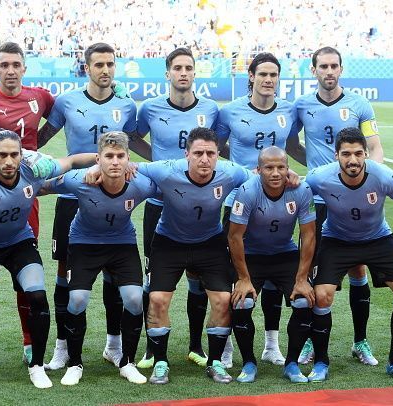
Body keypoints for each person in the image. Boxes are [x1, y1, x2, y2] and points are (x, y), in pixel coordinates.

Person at [0, 130, 96, 390]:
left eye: (14, 154)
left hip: (19, 242)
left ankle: (36, 367)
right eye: (2, 155)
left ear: (22, 155)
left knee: (37, 297)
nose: (8, 161)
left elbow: (73, 161)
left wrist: (101, 159)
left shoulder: (33, 170)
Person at [38, 42, 139, 371]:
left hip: (111, 200)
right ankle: (62, 347)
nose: (105, 70)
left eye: (110, 64)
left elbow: (131, 147)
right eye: (99, 65)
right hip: (71, 200)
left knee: (114, 274)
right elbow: (42, 138)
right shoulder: (67, 102)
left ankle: (114, 344)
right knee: (65, 277)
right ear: (87, 68)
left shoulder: (126, 106)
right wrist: (10, 156)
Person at [304, 127, 393, 382]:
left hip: (378, 238)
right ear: (336, 155)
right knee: (322, 295)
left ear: (366, 154)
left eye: (358, 154)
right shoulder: (320, 177)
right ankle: (321, 362)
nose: (353, 160)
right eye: (346, 154)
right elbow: (297, 195)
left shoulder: (383, 175)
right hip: (336, 240)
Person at [137, 127, 252, 385]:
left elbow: (256, 178)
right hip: (169, 243)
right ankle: (161, 362)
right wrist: (94, 169)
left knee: (223, 300)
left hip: (209, 243)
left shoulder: (229, 172)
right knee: (157, 299)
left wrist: (288, 174)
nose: (204, 159)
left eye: (210, 153)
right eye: (198, 153)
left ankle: (215, 362)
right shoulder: (166, 169)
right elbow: (129, 166)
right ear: (186, 154)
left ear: (218, 154)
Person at [43, 131, 157, 386]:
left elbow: (173, 185)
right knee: (78, 299)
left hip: (122, 244)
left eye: (120, 156)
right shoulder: (79, 180)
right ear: (98, 159)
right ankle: (74, 363)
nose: (115, 162)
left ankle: (126, 362)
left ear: (129, 159)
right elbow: (43, 186)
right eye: (109, 156)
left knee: (135, 299)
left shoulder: (142, 184)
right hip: (84, 243)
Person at [133, 47, 223, 370]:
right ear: (167, 73)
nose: (183, 73)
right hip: (159, 204)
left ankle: (196, 344)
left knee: (198, 278)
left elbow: (217, 146)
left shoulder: (211, 109)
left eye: (188, 68)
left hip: (200, 205)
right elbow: (133, 137)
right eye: (177, 68)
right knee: (152, 278)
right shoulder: (151, 108)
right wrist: (159, 160)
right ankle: (150, 348)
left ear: (195, 73)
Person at [294, 46, 385, 365]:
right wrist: (315, 172)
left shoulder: (360, 104)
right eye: (323, 66)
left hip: (353, 200)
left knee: (358, 266)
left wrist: (364, 179)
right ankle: (308, 343)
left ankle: (360, 341)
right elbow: (292, 141)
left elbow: (374, 146)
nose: (329, 71)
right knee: (312, 268)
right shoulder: (302, 105)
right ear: (313, 70)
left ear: (341, 69)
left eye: (334, 66)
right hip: (317, 200)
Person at [216, 52, 306, 367]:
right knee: (234, 276)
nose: (268, 80)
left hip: (278, 201)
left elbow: (292, 147)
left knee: (272, 277)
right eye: (262, 74)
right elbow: (216, 149)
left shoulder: (288, 111)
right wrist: (243, 171)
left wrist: (310, 171)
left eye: (273, 75)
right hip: (239, 202)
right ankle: (226, 347)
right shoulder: (229, 112)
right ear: (251, 77)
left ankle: (271, 345)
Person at [0, 41, 55, 370]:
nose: (10, 70)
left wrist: (36, 148)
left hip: (26, 193)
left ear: (24, 67)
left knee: (26, 276)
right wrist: (18, 156)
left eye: (15, 64)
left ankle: (30, 341)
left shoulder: (40, 97)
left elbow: (62, 115)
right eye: (3, 65)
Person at [227, 146, 315, 383]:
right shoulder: (246, 191)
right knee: (242, 302)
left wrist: (302, 278)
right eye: (269, 167)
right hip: (252, 256)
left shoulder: (302, 190)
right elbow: (234, 237)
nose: (275, 173)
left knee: (305, 301)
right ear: (258, 170)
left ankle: (292, 364)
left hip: (284, 255)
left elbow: (308, 235)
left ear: (288, 169)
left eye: (280, 167)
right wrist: (243, 279)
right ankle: (248, 362)